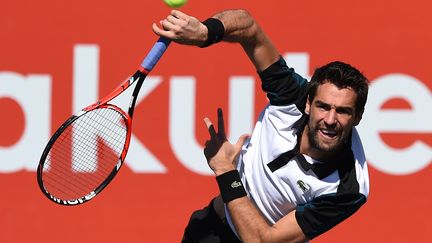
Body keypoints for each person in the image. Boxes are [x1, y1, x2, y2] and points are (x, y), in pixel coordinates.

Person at [153, 9, 370, 243]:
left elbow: (263, 241)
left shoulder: (349, 187)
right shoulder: (291, 95)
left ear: (358, 117)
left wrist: (225, 170)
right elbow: (249, 28)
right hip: (208, 230)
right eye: (324, 106)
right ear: (308, 103)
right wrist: (207, 32)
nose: (330, 119)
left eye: (343, 111)